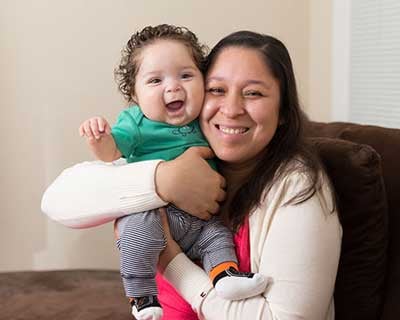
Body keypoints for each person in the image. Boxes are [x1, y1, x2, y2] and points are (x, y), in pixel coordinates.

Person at [42, 30, 342, 319]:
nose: (231, 108)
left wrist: (173, 263)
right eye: (217, 90)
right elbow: (56, 201)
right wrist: (164, 181)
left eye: (253, 93)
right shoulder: (178, 147)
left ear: (284, 112)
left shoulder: (298, 187)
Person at [76, 24, 267, 320]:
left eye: (186, 75)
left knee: (218, 236)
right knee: (136, 228)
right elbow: (111, 153)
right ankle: (141, 295)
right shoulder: (137, 123)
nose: (173, 87)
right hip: (156, 214)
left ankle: (225, 275)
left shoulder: (206, 118)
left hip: (201, 220)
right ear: (135, 95)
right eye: (155, 80)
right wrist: (100, 139)